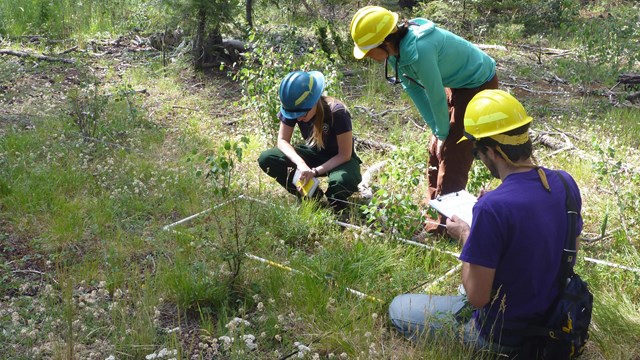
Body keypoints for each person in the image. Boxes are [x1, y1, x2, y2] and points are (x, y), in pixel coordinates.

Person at [387, 90, 583, 355]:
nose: (478, 159)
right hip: (553, 315)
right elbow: (566, 248)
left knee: (399, 308)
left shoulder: (492, 208)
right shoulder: (564, 182)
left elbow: (477, 298)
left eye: (477, 152)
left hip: (502, 332)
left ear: (491, 151)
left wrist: (467, 236)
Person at [350, 6, 499, 235]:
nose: (369, 57)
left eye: (369, 51)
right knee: (435, 149)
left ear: (386, 43)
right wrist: (437, 131)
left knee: (453, 151)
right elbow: (417, 93)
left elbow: (436, 94)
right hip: (457, 82)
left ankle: (445, 226)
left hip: (477, 82)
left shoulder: (421, 48)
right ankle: (433, 211)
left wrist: (444, 135)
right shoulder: (396, 54)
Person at [258, 70, 362, 212]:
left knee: (341, 185)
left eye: (302, 114)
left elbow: (344, 155)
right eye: (295, 115)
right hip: (313, 153)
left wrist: (314, 171)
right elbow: (282, 140)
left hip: (340, 159)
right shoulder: (293, 106)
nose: (298, 119)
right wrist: (301, 165)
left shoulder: (337, 112)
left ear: (314, 102)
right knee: (267, 158)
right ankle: (312, 196)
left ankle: (335, 202)